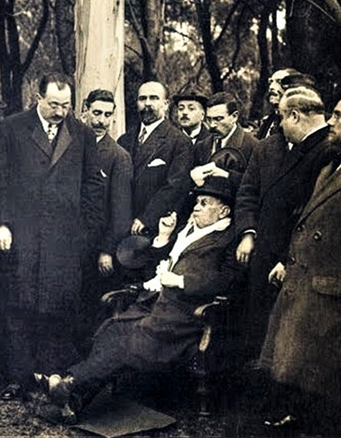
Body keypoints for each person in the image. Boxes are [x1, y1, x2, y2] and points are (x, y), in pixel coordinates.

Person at [34, 176, 243, 424]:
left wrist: (182, 282)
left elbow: (229, 281)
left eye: (205, 202)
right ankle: (72, 397)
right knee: (114, 331)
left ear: (224, 211)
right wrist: (164, 237)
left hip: (184, 315)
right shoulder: (187, 231)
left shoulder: (228, 239)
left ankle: (69, 383)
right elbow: (153, 265)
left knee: (132, 338)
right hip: (155, 304)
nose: (196, 207)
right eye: (196, 201)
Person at [0, 73, 105, 401]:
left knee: (57, 308)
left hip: (64, 241)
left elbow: (93, 186)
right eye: (54, 104)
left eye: (66, 105)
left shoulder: (81, 133)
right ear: (37, 97)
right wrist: (1, 224)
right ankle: (17, 378)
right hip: (21, 236)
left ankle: (52, 373)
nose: (60, 111)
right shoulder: (12, 128)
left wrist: (86, 233)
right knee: (19, 306)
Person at [257, 95, 341, 435]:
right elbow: (306, 221)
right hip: (305, 281)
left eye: (337, 116)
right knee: (297, 371)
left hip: (332, 290)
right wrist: (287, 261)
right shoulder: (330, 166)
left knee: (325, 386)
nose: (331, 122)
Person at [235, 86, 337, 361]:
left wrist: (285, 258)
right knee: (261, 336)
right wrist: (248, 231)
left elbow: (311, 213)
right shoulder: (273, 147)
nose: (279, 124)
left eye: (281, 117)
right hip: (264, 252)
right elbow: (249, 191)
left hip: (291, 260)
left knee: (285, 344)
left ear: (294, 116)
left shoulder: (327, 150)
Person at [118, 81, 193, 238]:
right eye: (142, 99)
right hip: (122, 225)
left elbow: (174, 186)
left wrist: (146, 218)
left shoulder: (179, 142)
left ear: (165, 104)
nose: (147, 104)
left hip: (152, 228)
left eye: (154, 98)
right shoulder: (124, 140)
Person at [81, 90, 133, 318]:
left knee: (92, 308)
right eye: (96, 113)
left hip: (96, 247)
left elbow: (121, 212)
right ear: (85, 110)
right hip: (69, 245)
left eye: (107, 114)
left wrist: (106, 250)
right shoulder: (72, 147)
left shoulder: (118, 156)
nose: (101, 120)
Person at [190, 91, 258, 189]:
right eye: (209, 119)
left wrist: (228, 176)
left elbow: (256, 187)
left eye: (218, 119)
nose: (212, 125)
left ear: (234, 117)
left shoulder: (253, 147)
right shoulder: (201, 146)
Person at [255, 68, 301, 140]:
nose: (271, 87)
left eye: (279, 82)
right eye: (271, 82)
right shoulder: (269, 120)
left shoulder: (298, 120)